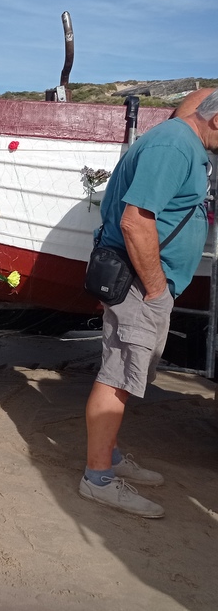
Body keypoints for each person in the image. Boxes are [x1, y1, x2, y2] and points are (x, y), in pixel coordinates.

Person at [79, 89, 218, 519]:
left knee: (124, 371)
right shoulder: (175, 145)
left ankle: (110, 455)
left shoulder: (184, 143)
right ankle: (98, 478)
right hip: (141, 283)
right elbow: (135, 221)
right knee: (117, 374)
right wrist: (157, 291)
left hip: (143, 281)